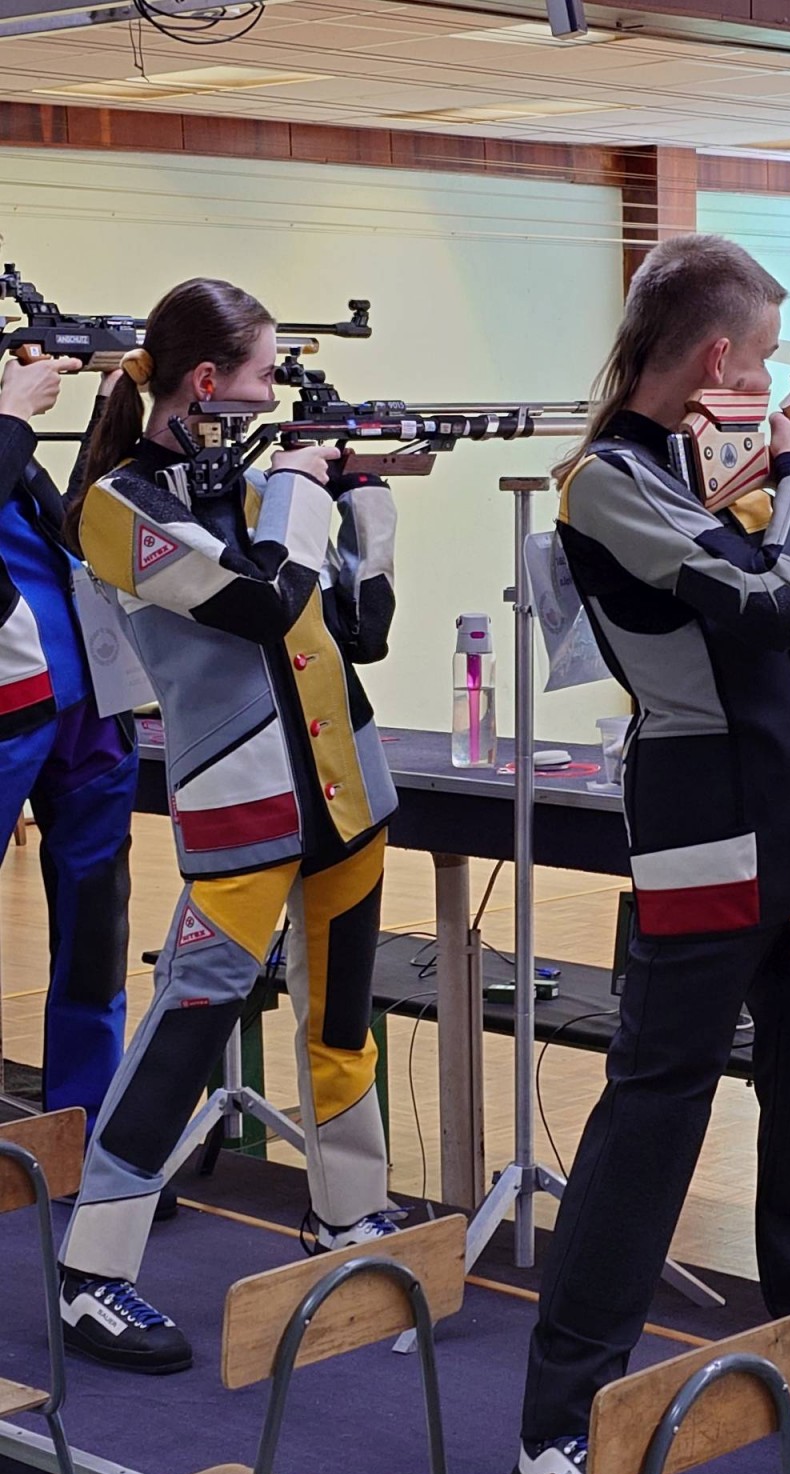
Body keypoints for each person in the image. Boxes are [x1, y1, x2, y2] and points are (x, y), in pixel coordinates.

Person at [510, 234, 790, 1474]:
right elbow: (770, 604)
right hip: (707, 833)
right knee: (654, 1123)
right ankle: (556, 1427)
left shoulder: (704, 475)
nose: (768, 386)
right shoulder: (607, 484)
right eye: (758, 360)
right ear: (714, 356)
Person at [58, 278, 401, 1375]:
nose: (272, 395)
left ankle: (348, 1215)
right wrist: (299, 491)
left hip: (348, 791)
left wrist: (369, 507)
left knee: (342, 1021)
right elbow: (259, 601)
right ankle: (92, 1270)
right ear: (205, 381)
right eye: (262, 374)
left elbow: (361, 627)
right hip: (243, 802)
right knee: (188, 1030)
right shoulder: (114, 510)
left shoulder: (249, 486)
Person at [0, 355, 137, 1133]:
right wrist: (14, 415)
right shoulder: (7, 431)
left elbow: (73, 533)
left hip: (81, 705)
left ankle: (85, 1131)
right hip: (10, 710)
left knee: (95, 935)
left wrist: (106, 416)